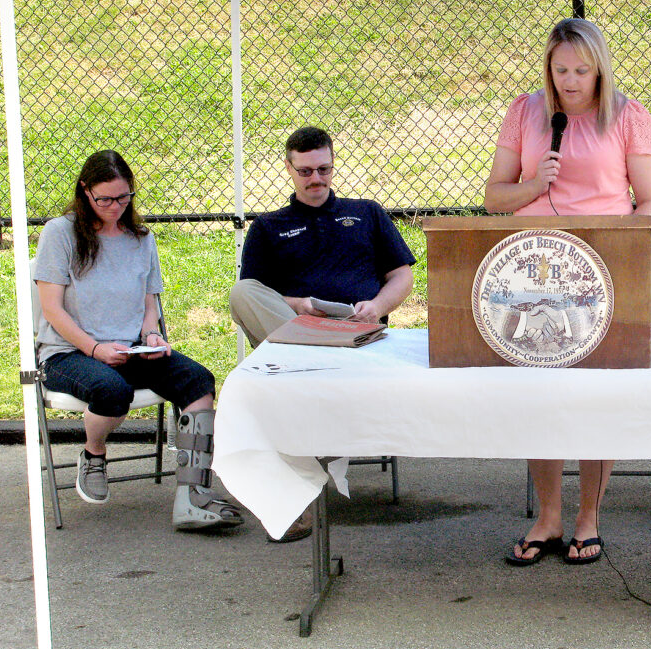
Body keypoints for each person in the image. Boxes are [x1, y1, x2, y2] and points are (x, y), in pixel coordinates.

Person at [485, 17, 651, 565]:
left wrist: (625, 243)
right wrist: (536, 185)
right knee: (541, 392)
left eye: (581, 70)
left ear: (600, 69)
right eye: (560, 69)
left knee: (594, 392)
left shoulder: (629, 117)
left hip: (602, 265)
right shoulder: (525, 112)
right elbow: (495, 197)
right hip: (533, 265)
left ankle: (588, 515)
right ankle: (549, 515)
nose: (570, 80)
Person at [33, 150, 244, 531]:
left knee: (198, 381)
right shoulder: (59, 233)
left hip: (132, 348)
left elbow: (150, 305)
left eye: (124, 197)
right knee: (112, 391)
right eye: (105, 199)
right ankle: (94, 454)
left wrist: (151, 335)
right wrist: (94, 348)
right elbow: (52, 310)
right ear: (84, 192)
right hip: (67, 353)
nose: (115, 206)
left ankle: (193, 498)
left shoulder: (141, 239)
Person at [229, 125, 416, 541]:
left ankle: (295, 494)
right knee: (241, 291)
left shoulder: (366, 212)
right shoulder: (268, 227)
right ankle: (310, 361)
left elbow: (402, 275)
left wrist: (378, 307)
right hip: (299, 336)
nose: (316, 179)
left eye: (324, 169)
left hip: (359, 337)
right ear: (289, 170)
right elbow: (256, 296)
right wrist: (298, 306)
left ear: (333, 165)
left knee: (284, 391)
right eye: (306, 172)